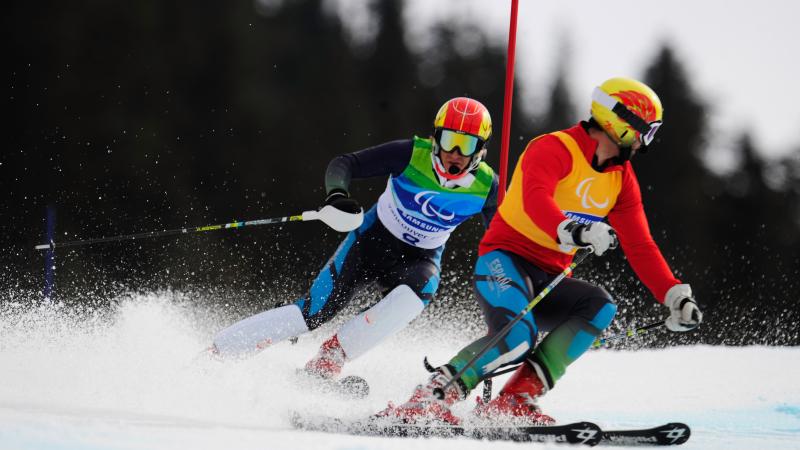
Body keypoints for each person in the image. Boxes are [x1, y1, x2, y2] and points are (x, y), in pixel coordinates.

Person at [379, 77, 704, 426]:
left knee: (598, 306)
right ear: (620, 122)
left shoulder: (621, 179)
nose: (645, 142)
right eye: (646, 131)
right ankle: (430, 398)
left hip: (549, 277)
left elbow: (640, 244)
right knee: (519, 337)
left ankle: (516, 399)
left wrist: (673, 294)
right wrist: (575, 230)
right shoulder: (554, 148)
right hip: (503, 262)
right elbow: (536, 198)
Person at [211, 97, 499, 382]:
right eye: (449, 140)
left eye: (468, 144)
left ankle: (329, 361)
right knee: (311, 314)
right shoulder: (411, 155)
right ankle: (217, 354)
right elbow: (344, 164)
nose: (456, 153)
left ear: (481, 150)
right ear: (435, 138)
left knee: (418, 295)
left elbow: (501, 238)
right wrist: (337, 195)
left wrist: (503, 267)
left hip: (419, 260)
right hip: (372, 242)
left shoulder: (487, 187)